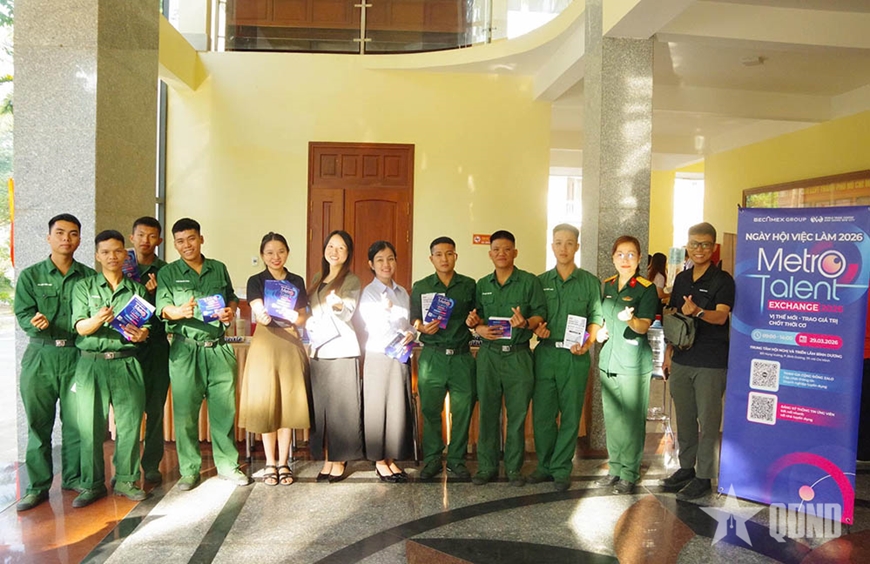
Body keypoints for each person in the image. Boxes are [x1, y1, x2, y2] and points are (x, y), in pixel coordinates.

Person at [155, 218, 251, 491]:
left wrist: (230, 310)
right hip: (185, 350)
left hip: (218, 348)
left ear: (201, 239)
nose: (187, 245)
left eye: (191, 239)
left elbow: (231, 296)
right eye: (180, 241)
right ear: (175, 244)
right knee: (185, 414)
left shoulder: (218, 268)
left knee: (224, 411)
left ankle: (228, 466)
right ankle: (189, 470)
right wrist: (178, 312)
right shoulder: (168, 273)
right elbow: (162, 308)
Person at [13, 213, 95, 511]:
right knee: (39, 424)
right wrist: (34, 323)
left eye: (73, 234)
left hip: (76, 356)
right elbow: (23, 312)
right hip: (41, 356)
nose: (66, 239)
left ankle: (73, 478)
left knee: (76, 423)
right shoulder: (31, 275)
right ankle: (36, 486)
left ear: (80, 239)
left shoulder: (88, 277)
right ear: (49, 237)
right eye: (60, 233)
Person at [70, 230, 152, 507]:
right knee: (90, 427)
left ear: (125, 254)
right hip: (91, 364)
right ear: (97, 256)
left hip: (126, 362)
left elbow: (145, 328)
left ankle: (127, 480)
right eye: (105, 252)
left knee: (130, 425)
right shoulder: (84, 287)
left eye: (118, 251)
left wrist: (141, 334)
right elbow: (80, 328)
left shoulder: (136, 290)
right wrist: (97, 319)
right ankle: (91, 484)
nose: (112, 256)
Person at [466, 230, 546, 486]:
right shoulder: (482, 285)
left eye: (507, 249)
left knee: (517, 416)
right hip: (489, 356)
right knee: (488, 414)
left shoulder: (529, 282)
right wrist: (476, 326)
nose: (502, 253)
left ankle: (513, 468)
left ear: (515, 253)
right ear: (490, 254)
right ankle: (486, 467)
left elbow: (540, 314)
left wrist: (526, 322)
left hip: (518, 356)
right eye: (497, 249)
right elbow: (476, 317)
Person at [662, 222, 735, 500]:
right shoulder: (682, 278)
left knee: (708, 421)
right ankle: (686, 468)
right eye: (694, 244)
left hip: (710, 362)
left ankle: (704, 476)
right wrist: (668, 354)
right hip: (682, 358)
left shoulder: (722, 280)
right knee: (685, 418)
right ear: (687, 246)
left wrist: (699, 312)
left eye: (705, 244)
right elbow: (675, 318)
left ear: (713, 247)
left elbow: (721, 316)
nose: (699, 249)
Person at [528, 224, 603, 491]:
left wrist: (587, 342)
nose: (563, 248)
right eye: (558, 242)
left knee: (571, 414)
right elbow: (534, 316)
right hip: (546, 353)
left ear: (577, 247)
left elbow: (596, 318)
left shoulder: (590, 282)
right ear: (552, 246)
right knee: (543, 415)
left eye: (569, 243)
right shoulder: (540, 282)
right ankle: (544, 465)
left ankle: (561, 468)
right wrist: (537, 328)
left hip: (575, 356)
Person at [239, 232, 311, 486]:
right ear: (262, 255)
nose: (275, 257)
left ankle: (284, 463)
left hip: (290, 342)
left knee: (288, 404)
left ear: (287, 253)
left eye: (280, 251)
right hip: (266, 342)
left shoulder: (296, 281)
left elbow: (302, 316)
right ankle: (270, 462)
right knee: (268, 402)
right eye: (269, 252)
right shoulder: (256, 280)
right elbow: (257, 306)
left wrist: (295, 318)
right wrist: (261, 313)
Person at [595, 235, 658, 494]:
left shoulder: (646, 288)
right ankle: (615, 468)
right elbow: (600, 318)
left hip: (633, 363)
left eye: (631, 254)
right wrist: (599, 332)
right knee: (612, 419)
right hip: (609, 360)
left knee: (631, 421)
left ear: (640, 258)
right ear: (612, 257)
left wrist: (629, 320)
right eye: (620, 254)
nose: (625, 259)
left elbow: (643, 326)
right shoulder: (607, 285)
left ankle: (629, 473)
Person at [411, 236, 476, 481]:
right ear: (431, 258)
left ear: (455, 256)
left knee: (462, 411)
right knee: (430, 410)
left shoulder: (469, 285)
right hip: (432, 356)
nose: (444, 259)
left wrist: (474, 321)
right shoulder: (421, 286)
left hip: (461, 357)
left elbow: (477, 316)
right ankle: (432, 459)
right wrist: (421, 326)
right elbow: (413, 317)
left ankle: (457, 460)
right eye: (438, 254)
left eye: (449, 253)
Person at [306, 230, 363, 483]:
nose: (334, 251)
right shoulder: (318, 277)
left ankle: (340, 459)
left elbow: (348, 309)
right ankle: (328, 457)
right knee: (323, 410)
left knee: (342, 411)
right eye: (331, 246)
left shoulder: (351, 280)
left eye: (341, 247)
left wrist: (338, 303)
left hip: (341, 350)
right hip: (319, 349)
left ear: (348, 253)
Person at [359, 241, 416, 482]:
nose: (386, 264)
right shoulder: (369, 293)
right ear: (371, 264)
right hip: (378, 356)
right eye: (380, 259)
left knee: (396, 409)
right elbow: (376, 328)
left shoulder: (402, 292)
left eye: (390, 258)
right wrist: (388, 312)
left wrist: (412, 332)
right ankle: (380, 461)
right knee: (377, 409)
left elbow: (407, 324)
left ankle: (391, 458)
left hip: (400, 356)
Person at [129, 216, 169, 485]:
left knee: (155, 409)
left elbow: (168, 308)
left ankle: (152, 464)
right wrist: (143, 293)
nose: (146, 240)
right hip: (127, 347)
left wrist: (155, 295)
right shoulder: (121, 266)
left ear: (159, 240)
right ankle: (127, 467)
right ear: (132, 237)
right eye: (141, 235)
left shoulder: (165, 271)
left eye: (152, 236)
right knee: (128, 411)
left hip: (156, 346)